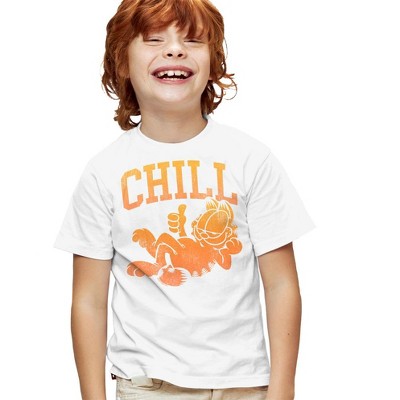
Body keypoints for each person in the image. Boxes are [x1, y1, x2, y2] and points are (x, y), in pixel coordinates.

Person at [54, 0, 316, 399]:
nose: (175, 50)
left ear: (213, 63)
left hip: (243, 384)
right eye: (154, 39)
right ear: (122, 62)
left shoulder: (251, 159)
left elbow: (281, 285)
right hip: (147, 386)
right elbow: (88, 300)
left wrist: (282, 390)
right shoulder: (103, 172)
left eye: (192, 40)